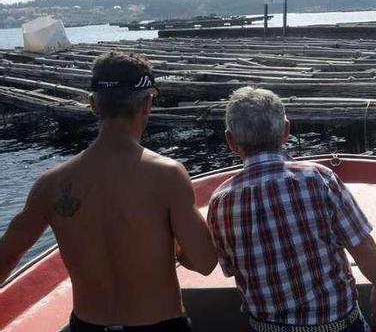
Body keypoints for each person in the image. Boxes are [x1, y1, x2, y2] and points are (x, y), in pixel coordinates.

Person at [0, 51, 217, 331]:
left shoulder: (51, 183)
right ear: (147, 104)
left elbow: (5, 259)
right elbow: (204, 262)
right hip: (159, 325)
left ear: (93, 105)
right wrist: (172, 246)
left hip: (87, 326)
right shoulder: (167, 176)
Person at [208, 86, 376, 332]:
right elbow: (364, 249)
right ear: (286, 131)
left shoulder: (220, 201)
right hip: (335, 325)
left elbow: (232, 268)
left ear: (231, 141)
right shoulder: (320, 179)